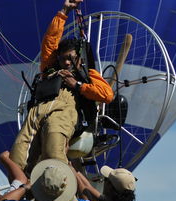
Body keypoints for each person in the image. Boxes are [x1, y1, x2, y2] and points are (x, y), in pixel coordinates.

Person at [9, 0, 114, 173]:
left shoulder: (87, 74)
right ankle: (21, 187)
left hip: (64, 113)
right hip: (38, 111)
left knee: (53, 151)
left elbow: (106, 94)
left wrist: (78, 85)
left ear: (79, 58)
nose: (66, 62)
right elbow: (50, 41)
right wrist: (64, 12)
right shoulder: (51, 68)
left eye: (70, 58)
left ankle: (59, 185)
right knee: (19, 155)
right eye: (63, 58)